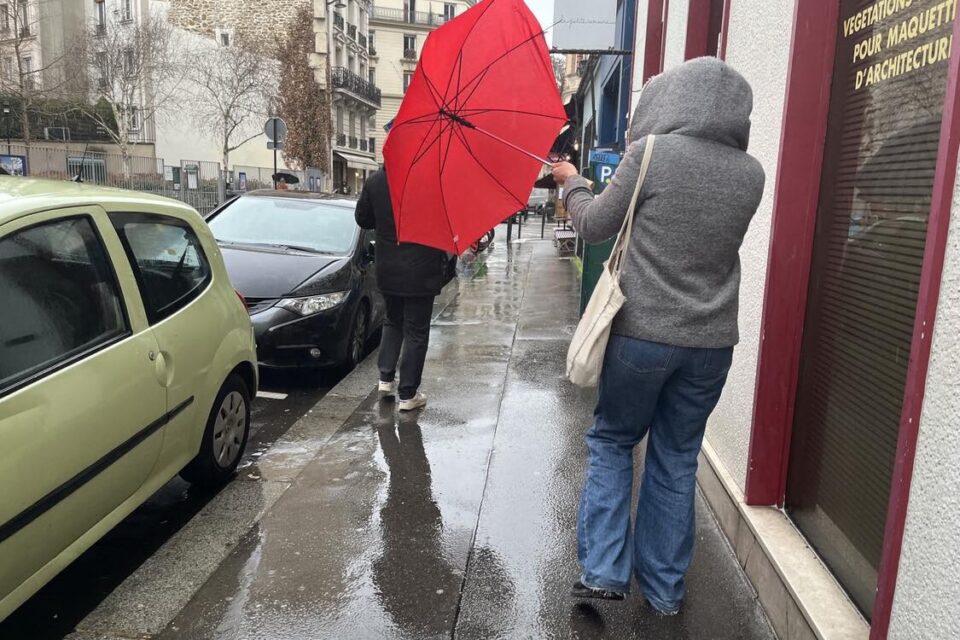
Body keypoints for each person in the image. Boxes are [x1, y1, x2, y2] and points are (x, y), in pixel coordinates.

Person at [551, 57, 765, 615]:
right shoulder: (752, 174)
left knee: (614, 440)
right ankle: (665, 591)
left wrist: (570, 182)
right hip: (712, 343)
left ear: (671, 102)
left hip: (642, 335)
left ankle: (602, 571)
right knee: (676, 457)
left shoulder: (652, 154)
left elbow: (595, 224)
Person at [355, 167, 452, 411]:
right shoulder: (434, 180)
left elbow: (363, 218)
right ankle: (408, 394)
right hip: (422, 268)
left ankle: (385, 379)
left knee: (393, 320)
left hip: (389, 266)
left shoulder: (378, 179)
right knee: (416, 331)